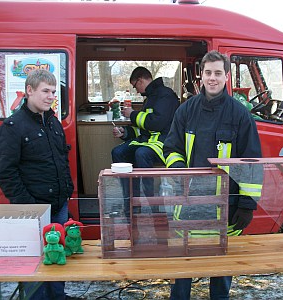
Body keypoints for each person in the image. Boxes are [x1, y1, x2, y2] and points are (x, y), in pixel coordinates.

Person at [163, 50, 263, 300]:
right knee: (182, 272)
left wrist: (247, 205)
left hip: (224, 208)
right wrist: (178, 172)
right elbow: (171, 148)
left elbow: (251, 162)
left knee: (220, 277)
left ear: (227, 76)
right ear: (201, 76)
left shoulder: (240, 114)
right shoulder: (186, 111)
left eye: (218, 73)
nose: (212, 78)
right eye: (208, 73)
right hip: (187, 205)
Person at [0, 69, 75, 300]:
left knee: (57, 255)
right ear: (29, 91)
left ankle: (58, 296)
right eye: (45, 91)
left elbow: (61, 160)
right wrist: (28, 207)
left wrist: (66, 191)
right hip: (32, 210)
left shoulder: (53, 123)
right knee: (34, 262)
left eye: (53, 92)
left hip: (58, 207)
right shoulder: (12, 127)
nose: (50, 96)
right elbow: (4, 173)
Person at [111, 66, 179, 216]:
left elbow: (157, 124)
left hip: (163, 142)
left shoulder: (166, 96)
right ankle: (131, 203)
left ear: (141, 80)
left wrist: (133, 114)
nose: (136, 90)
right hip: (147, 141)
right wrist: (125, 132)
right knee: (118, 152)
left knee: (142, 154)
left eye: (135, 85)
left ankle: (154, 206)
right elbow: (144, 128)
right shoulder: (151, 97)